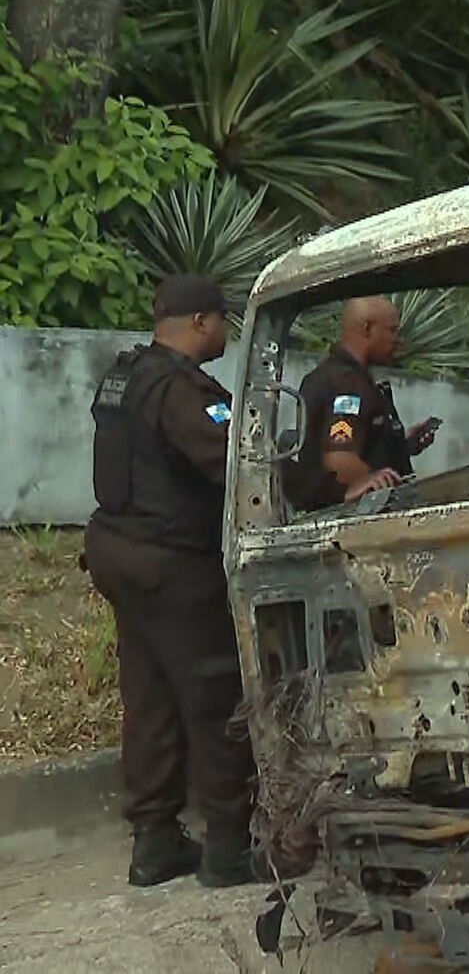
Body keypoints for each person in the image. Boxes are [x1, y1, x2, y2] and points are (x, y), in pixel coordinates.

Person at [82, 274, 263, 888]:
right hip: (169, 562)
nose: (225, 333)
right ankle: (230, 848)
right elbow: (235, 462)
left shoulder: (125, 375)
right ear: (200, 323)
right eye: (222, 322)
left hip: (117, 551)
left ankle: (155, 842)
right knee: (215, 696)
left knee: (151, 694)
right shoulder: (182, 390)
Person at [290, 296, 437, 509]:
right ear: (367, 328)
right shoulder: (346, 385)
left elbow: (359, 442)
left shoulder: (333, 376)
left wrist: (401, 445)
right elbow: (340, 460)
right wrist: (372, 482)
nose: (398, 339)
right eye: (392, 330)